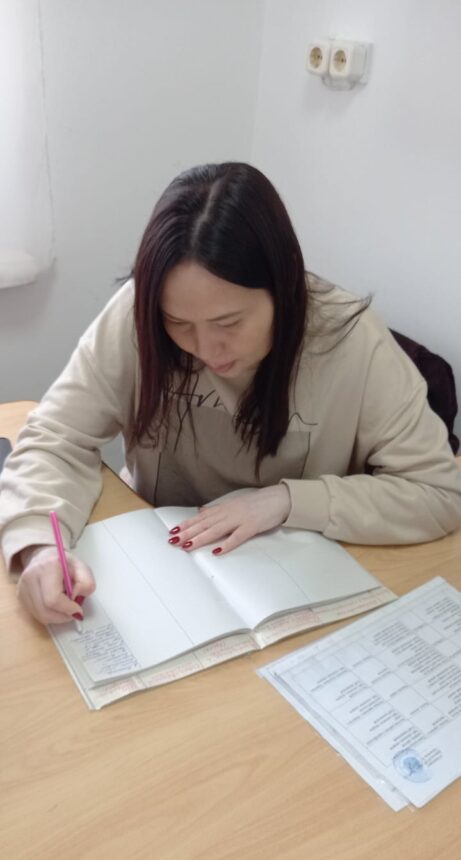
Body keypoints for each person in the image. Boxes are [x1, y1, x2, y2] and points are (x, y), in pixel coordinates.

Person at [1, 161, 461, 627]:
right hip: (163, 569)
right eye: (178, 323)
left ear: (284, 287)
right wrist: (39, 548)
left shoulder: (352, 341)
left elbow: (439, 492)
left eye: (229, 323)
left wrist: (285, 502)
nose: (205, 349)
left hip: (298, 587)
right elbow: (56, 438)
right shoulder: (136, 315)